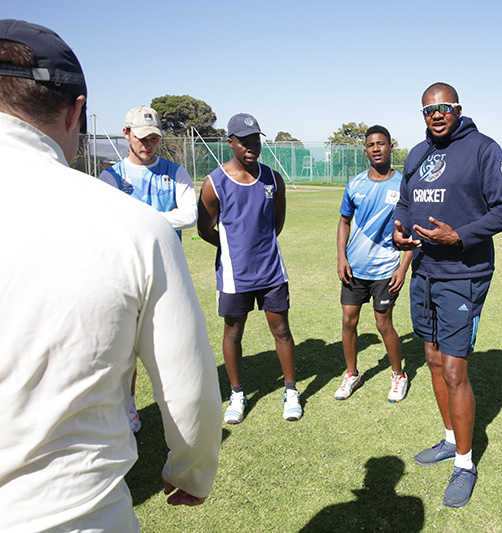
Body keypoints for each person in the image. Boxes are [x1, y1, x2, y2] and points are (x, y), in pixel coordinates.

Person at [0, 19, 221, 532]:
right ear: (78, 110)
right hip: (75, 516)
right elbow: (191, 394)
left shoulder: (158, 190)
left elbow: (189, 212)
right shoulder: (132, 224)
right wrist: (193, 471)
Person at [393, 83, 502, 507]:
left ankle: (465, 463)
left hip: (462, 274)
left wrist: (458, 236)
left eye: (444, 108)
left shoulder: (483, 148)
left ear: (458, 109)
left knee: (453, 370)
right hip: (424, 269)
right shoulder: (415, 153)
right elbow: (405, 201)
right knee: (430, 358)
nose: (437, 115)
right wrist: (400, 228)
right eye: (429, 110)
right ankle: (450, 439)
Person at [197, 113, 302, 424]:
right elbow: (205, 229)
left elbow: (276, 223)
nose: (251, 146)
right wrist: (233, 249)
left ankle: (291, 391)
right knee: (233, 332)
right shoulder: (214, 183)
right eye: (244, 141)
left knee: (281, 330)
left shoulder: (272, 178)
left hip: (271, 272)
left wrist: (259, 247)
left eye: (255, 139)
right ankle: (237, 393)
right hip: (234, 274)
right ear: (230, 142)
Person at [100, 105, 199, 433]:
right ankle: (129, 407)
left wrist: (139, 218)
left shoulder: (175, 172)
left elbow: (190, 215)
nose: (148, 144)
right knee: (125, 351)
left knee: (174, 348)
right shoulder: (111, 177)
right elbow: (110, 225)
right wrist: (160, 218)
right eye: (141, 137)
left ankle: (177, 408)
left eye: (154, 138)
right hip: (125, 277)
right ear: (126, 134)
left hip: (169, 274)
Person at [336, 125, 413, 402]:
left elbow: (411, 232)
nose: (376, 148)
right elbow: (344, 221)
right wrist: (341, 256)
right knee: (348, 321)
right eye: (371, 145)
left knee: (383, 324)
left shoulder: (404, 185)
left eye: (382, 144)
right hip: (355, 268)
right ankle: (351, 374)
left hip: (385, 269)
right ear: (365, 150)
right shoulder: (355, 184)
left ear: (391, 148)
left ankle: (398, 375)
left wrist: (403, 268)